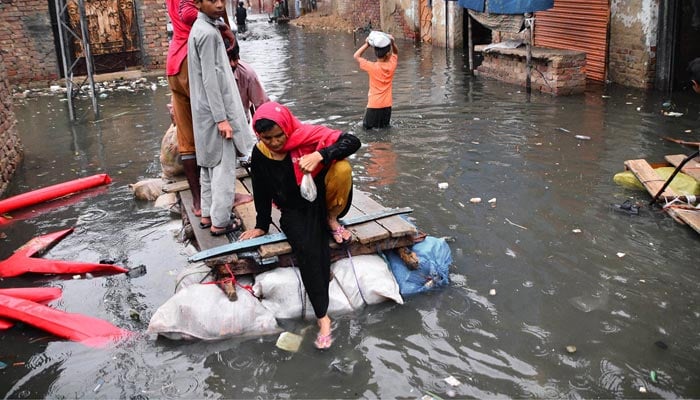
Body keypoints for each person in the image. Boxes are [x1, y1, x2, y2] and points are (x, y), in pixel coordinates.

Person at [238, 102, 361, 349]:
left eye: (278, 136)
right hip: (294, 208)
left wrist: (320, 155)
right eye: (267, 138)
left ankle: (332, 219)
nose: (274, 143)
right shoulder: (261, 152)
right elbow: (260, 188)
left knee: (342, 166)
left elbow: (352, 141)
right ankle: (322, 317)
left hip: (322, 199)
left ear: (287, 128)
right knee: (308, 248)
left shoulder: (306, 135)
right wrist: (261, 225)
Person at [188, 0, 255, 236]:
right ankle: (221, 221)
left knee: (208, 164)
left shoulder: (203, 28)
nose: (219, 4)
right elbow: (210, 79)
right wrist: (222, 119)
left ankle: (207, 215)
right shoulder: (206, 35)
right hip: (216, 113)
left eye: (221, 0)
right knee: (224, 168)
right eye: (212, 0)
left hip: (203, 112)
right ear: (197, 3)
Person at [166, 0, 235, 218]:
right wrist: (223, 27)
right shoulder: (204, 30)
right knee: (215, 130)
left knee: (187, 139)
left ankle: (199, 202)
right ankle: (220, 199)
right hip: (192, 60)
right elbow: (188, 14)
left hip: (174, 62)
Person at [353, 31, 398, 129]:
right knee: (384, 130)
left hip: (374, 105)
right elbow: (395, 52)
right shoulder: (392, 65)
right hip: (387, 106)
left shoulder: (371, 67)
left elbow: (356, 56)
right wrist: (392, 43)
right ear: (388, 54)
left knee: (368, 133)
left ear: (375, 53)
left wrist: (367, 44)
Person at [226, 38, 270, 123]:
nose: (232, 64)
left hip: (241, 123)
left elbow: (262, 105)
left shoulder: (247, 74)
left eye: (235, 59)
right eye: (228, 60)